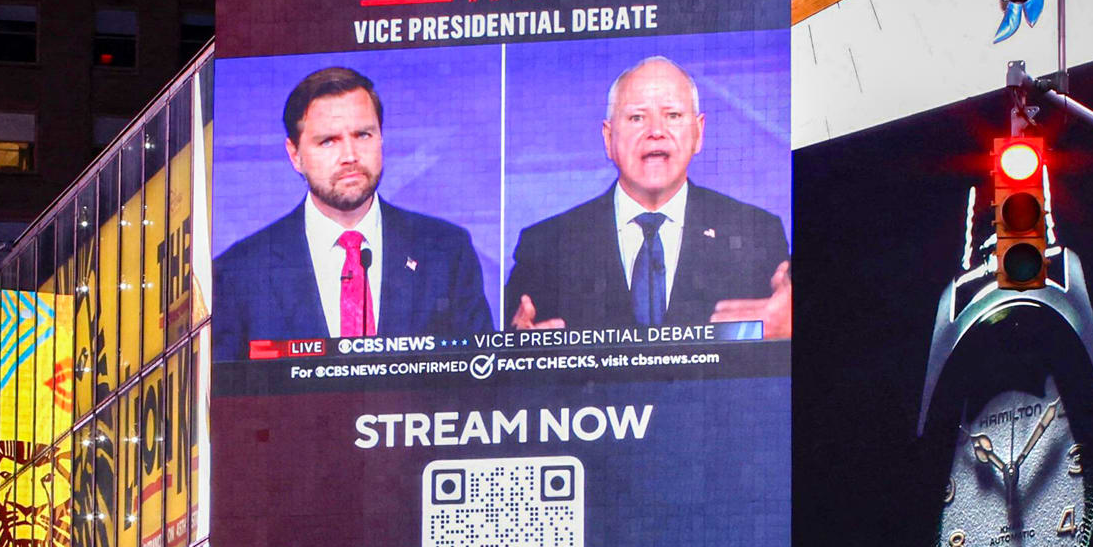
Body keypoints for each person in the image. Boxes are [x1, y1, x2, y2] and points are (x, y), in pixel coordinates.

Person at [505, 56, 791, 338]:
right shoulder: (545, 247)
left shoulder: (757, 233)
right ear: (608, 138)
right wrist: (520, 354)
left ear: (699, 133)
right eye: (637, 117)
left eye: (673, 116)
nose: (656, 132)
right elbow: (507, 364)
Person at [213, 65, 492, 346]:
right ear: (295, 154)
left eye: (363, 135)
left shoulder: (446, 251)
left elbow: (479, 378)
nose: (350, 155)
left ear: (381, 138)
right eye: (328, 141)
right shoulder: (241, 272)